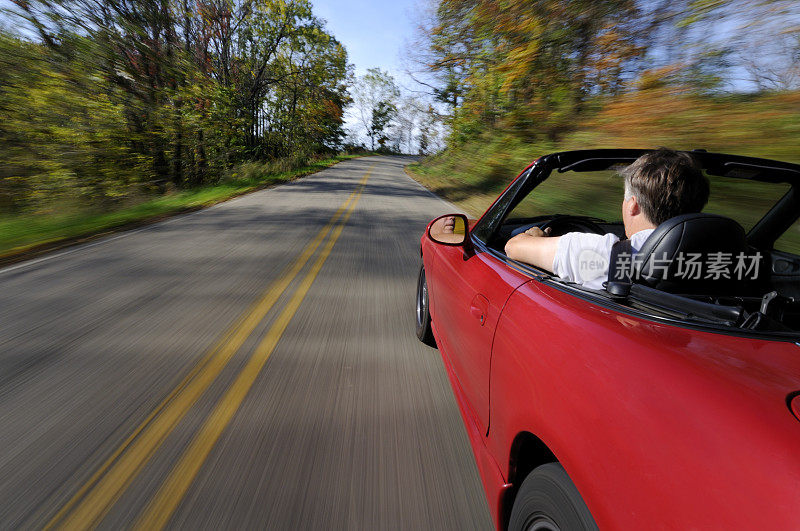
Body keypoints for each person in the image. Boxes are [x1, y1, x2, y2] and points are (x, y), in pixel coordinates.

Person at [504, 148, 710, 290]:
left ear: (632, 205)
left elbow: (513, 247)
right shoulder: (721, 258)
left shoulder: (606, 254)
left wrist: (537, 236)